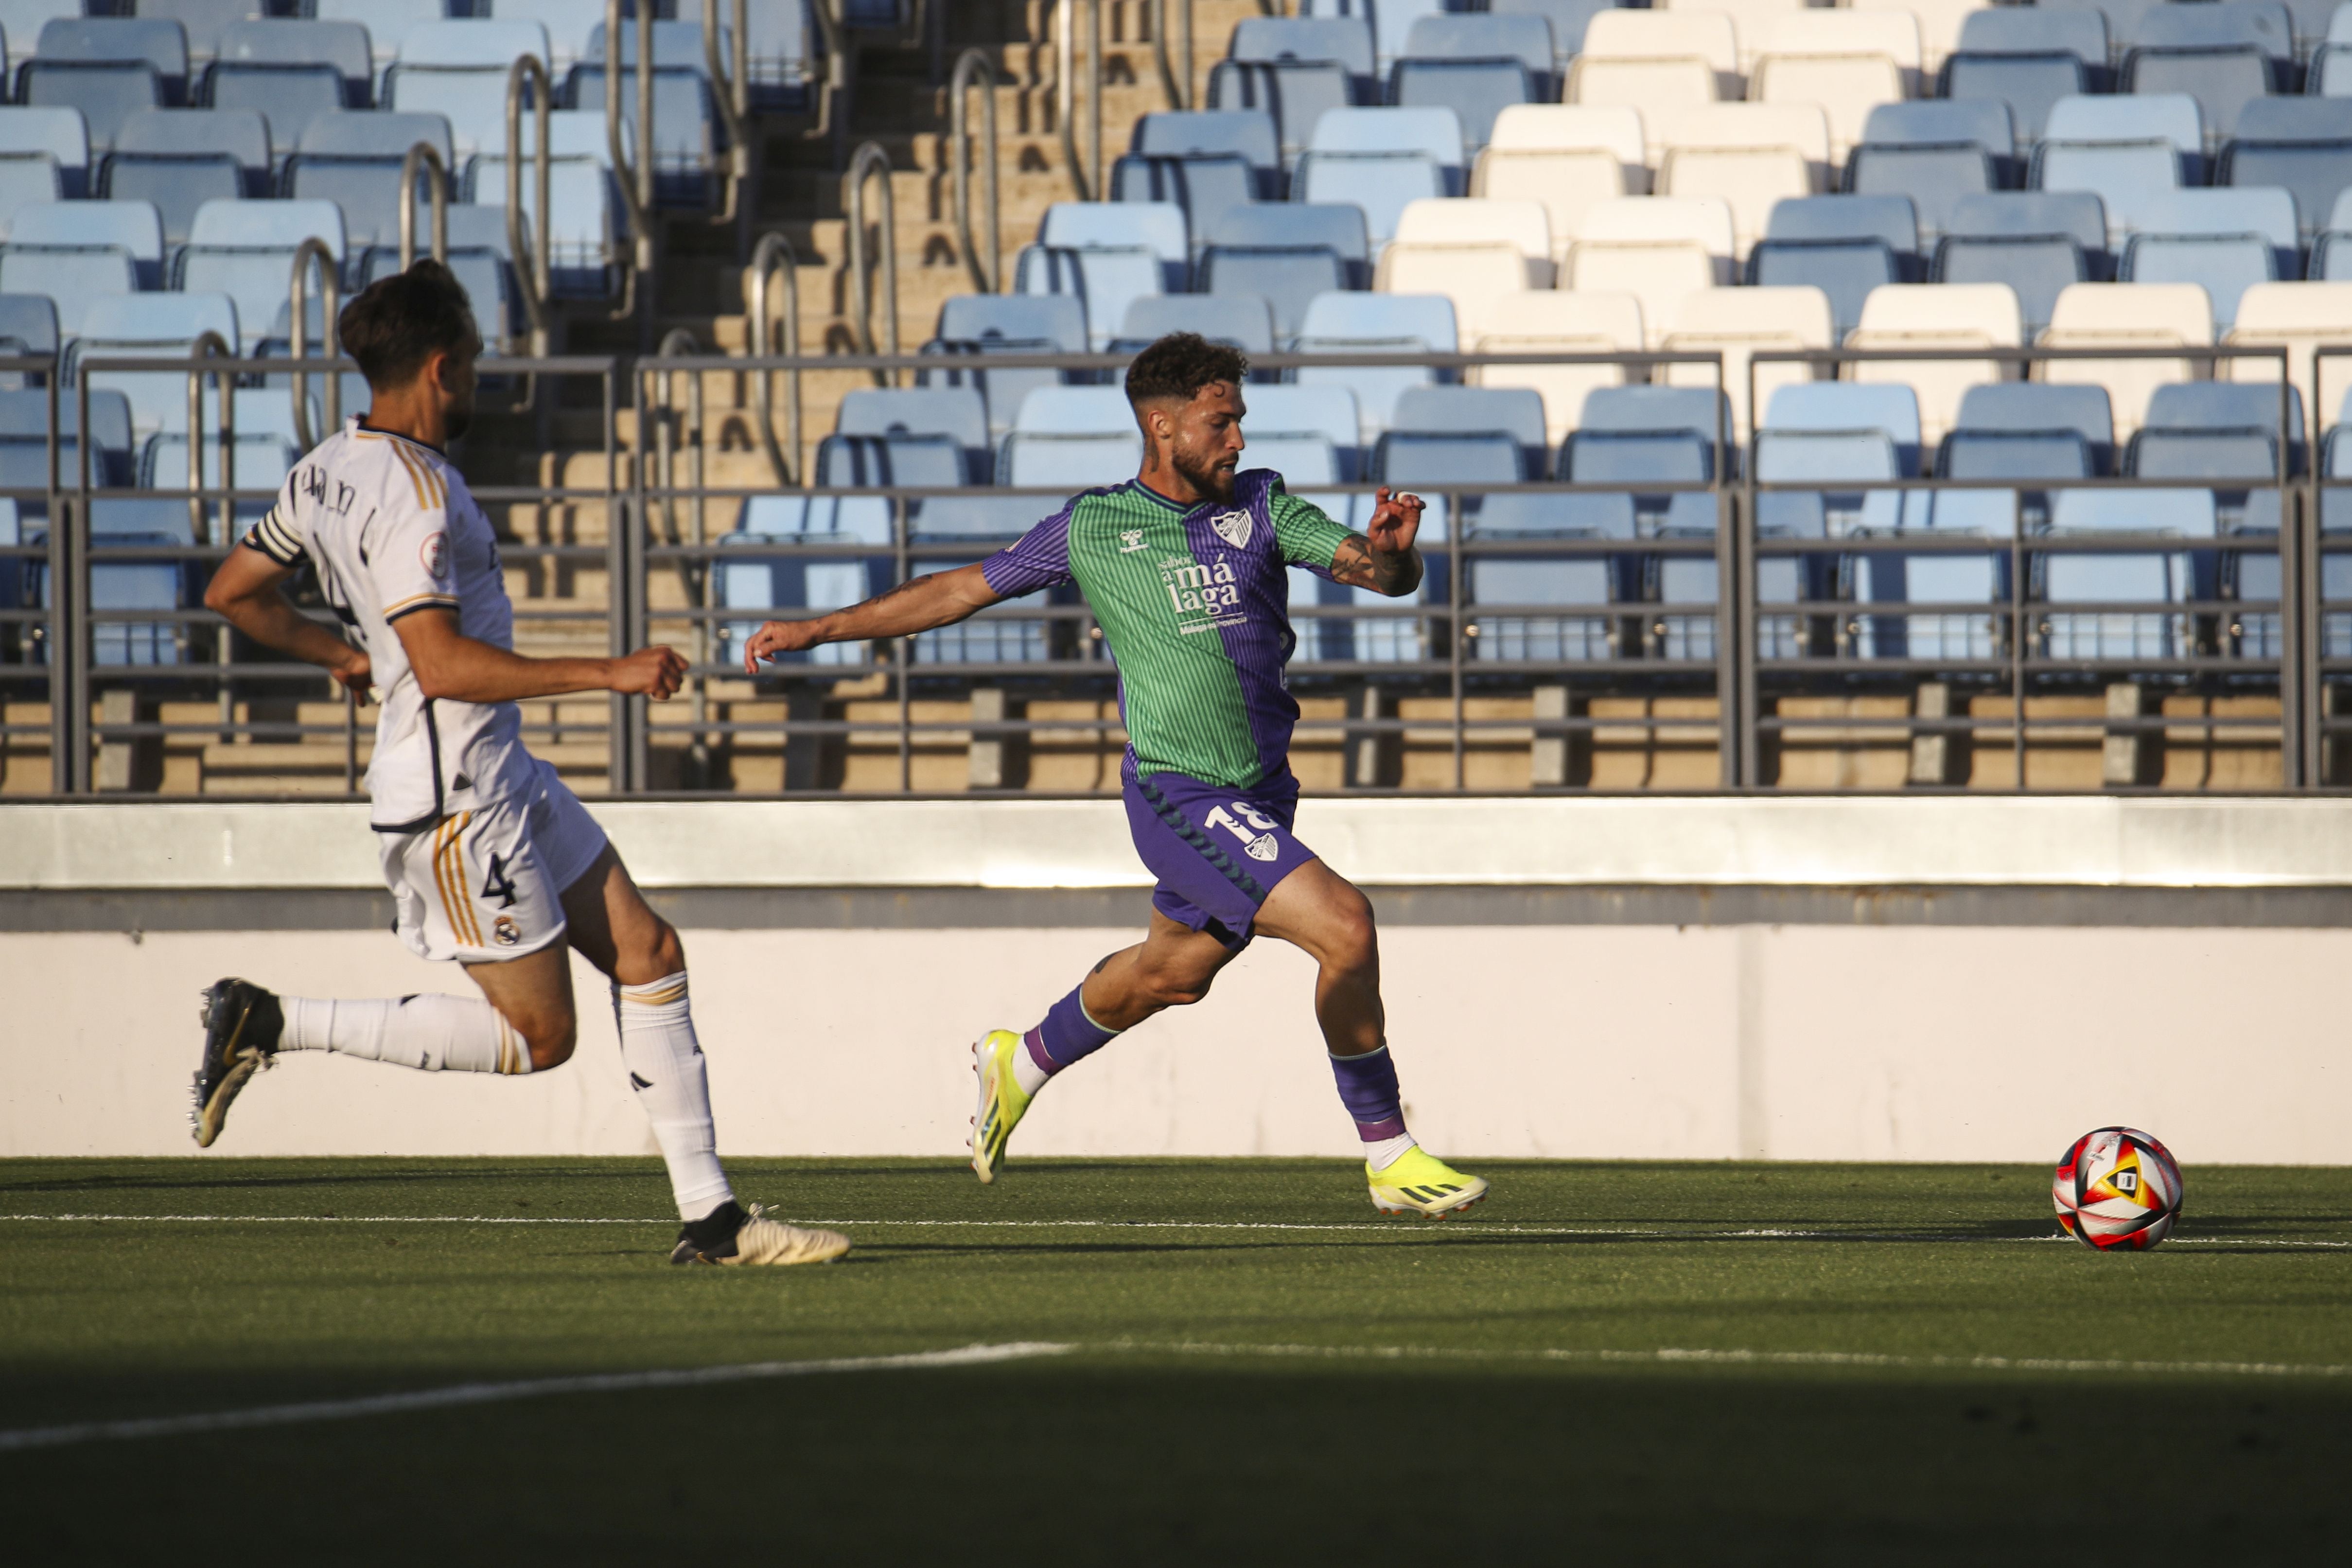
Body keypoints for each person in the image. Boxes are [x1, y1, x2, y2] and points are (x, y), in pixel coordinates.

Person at [193, 260, 847, 1268]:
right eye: (478, 364)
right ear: (442, 367)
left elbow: (233, 588)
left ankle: (714, 1220)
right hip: (458, 802)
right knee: (539, 1038)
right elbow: (446, 665)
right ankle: (271, 1019)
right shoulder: (418, 493)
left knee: (651, 953)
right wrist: (611, 670)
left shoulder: (320, 466)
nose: (482, 382)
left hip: (501, 775)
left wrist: (339, 655)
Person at [743, 333, 1488, 1217]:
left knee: (1172, 973)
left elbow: (1378, 575)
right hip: (1180, 792)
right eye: (1221, 423)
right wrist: (819, 630)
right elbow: (955, 592)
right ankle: (1388, 1153)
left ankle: (1017, 1059)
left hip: (1260, 791)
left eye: (1240, 421)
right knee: (1345, 926)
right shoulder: (1091, 527)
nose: (1238, 441)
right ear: (1161, 425)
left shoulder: (1262, 507)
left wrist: (1395, 553)